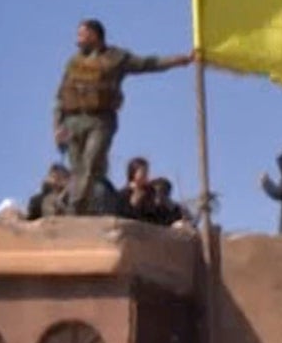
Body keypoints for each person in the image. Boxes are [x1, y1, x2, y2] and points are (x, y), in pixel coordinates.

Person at [54, 20, 193, 213]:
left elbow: (148, 64)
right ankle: (74, 205)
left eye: (82, 34)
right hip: (73, 121)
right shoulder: (74, 63)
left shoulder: (116, 58)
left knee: (90, 164)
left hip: (99, 120)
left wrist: (179, 60)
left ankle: (74, 208)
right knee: (79, 170)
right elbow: (61, 95)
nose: (78, 39)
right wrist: (57, 125)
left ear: (95, 35)